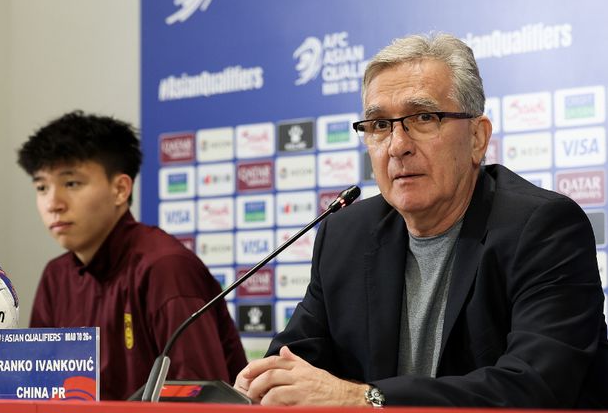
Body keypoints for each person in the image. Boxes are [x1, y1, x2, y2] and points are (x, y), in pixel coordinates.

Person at [234, 33, 608, 408]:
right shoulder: (346, 235)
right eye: (380, 125)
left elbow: (533, 389)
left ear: (477, 138)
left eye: (424, 118)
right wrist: (266, 384)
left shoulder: (542, 228)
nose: (398, 146)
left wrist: (364, 399)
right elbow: (294, 363)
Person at [17, 111, 247, 400]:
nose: (53, 203)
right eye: (41, 187)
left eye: (72, 183)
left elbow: (202, 402)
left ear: (120, 189)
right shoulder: (56, 276)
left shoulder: (165, 268)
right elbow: (40, 394)